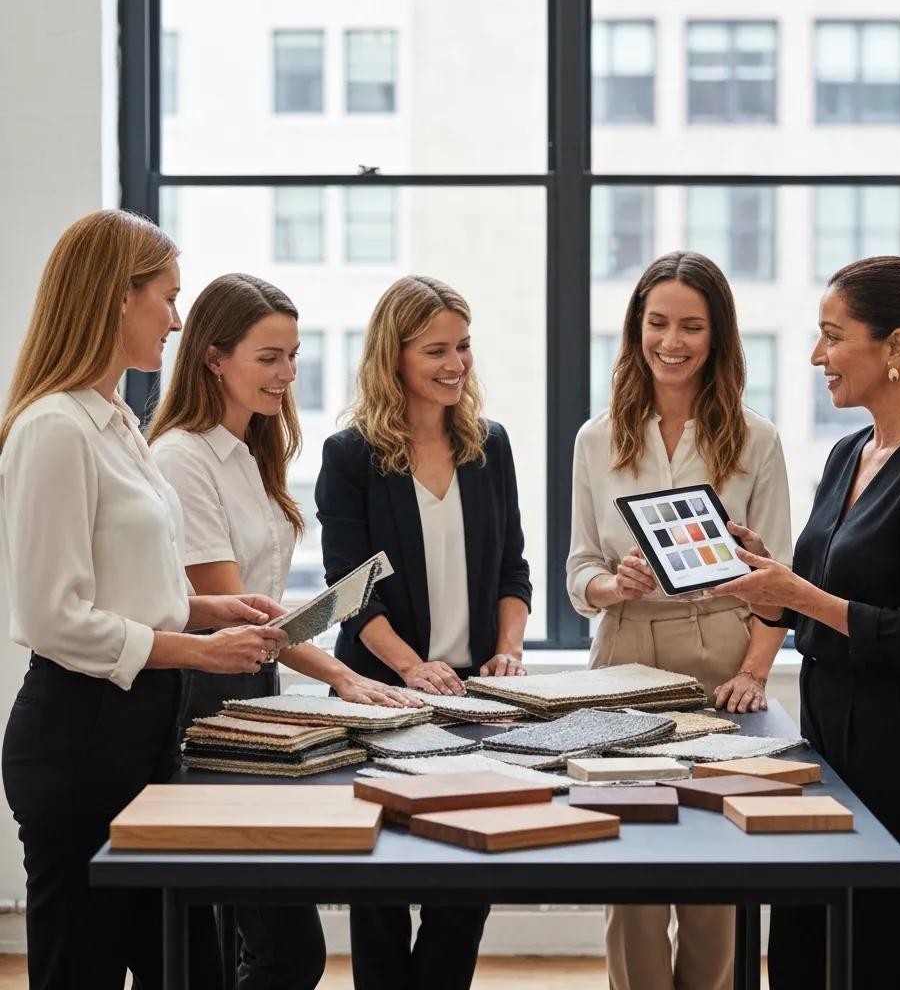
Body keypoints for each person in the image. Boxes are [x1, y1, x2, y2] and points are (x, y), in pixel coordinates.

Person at [0, 210, 289, 990]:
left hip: (144, 731)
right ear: (117, 297)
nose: (177, 320)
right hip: (79, 740)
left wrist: (210, 610)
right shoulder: (54, 429)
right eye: (167, 297)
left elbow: (130, 587)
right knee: (82, 969)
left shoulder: (119, 423)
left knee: (190, 968)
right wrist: (198, 650)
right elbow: (54, 617)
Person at [708, 256, 900, 990]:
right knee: (804, 952)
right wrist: (771, 578)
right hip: (831, 742)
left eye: (833, 336)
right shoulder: (850, 453)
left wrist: (800, 596)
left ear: (895, 347)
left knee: (883, 959)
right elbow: (834, 592)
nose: (816, 356)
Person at [148, 272, 421, 990]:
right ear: (214, 358)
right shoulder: (182, 457)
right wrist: (343, 674)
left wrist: (333, 660)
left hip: (256, 694)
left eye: (293, 356)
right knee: (277, 951)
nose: (288, 374)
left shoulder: (250, 450)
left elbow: (261, 604)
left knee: (267, 946)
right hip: (205, 701)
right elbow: (233, 607)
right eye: (269, 357)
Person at [566, 250, 793, 990]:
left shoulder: (756, 439)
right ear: (636, 328)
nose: (672, 342)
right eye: (657, 323)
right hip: (624, 653)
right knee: (631, 869)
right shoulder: (596, 439)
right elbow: (579, 570)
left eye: (691, 326)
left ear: (717, 334)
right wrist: (613, 584)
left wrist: (754, 670)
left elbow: (779, 578)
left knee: (714, 871)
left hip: (722, 650)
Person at [315, 274, 532, 990]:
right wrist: (411, 669)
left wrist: (508, 649)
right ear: (395, 356)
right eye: (436, 350)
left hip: (472, 698)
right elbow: (350, 594)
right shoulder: (350, 455)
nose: (455, 364)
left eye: (463, 346)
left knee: (466, 878)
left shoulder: (489, 445)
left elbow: (512, 569)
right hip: (380, 693)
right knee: (379, 882)